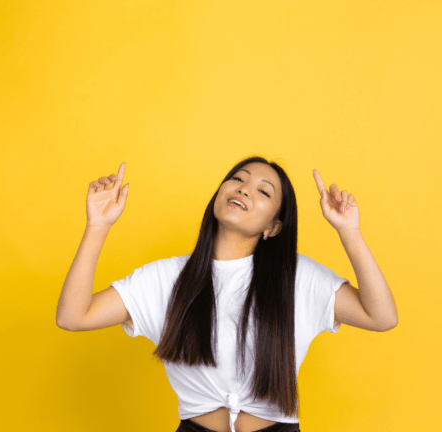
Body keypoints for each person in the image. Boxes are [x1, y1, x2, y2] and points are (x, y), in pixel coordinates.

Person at [56, 156, 398, 432]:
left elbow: (381, 316)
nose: (245, 189)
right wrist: (98, 226)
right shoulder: (166, 277)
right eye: (238, 178)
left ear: (273, 227)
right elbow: (73, 316)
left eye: (263, 192)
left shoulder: (297, 277)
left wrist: (350, 232)